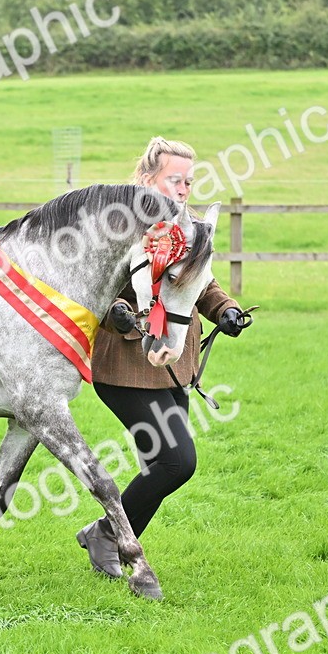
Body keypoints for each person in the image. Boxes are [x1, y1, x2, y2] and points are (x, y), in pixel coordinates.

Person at [76, 136, 251, 578]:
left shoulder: (190, 227)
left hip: (174, 366)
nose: (184, 188)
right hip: (125, 367)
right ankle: (108, 534)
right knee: (177, 461)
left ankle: (109, 536)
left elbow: (201, 284)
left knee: (166, 466)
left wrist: (226, 310)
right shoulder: (118, 226)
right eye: (175, 179)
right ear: (147, 178)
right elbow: (93, 285)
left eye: (189, 181)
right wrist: (116, 314)